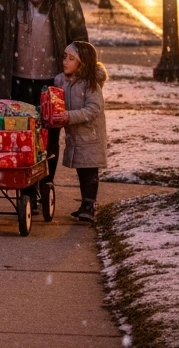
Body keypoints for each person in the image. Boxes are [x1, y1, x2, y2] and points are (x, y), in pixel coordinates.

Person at [0, 0, 87, 207]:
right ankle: (26, 193)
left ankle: (44, 185)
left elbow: (79, 39)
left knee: (49, 138)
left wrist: (81, 73)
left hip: (53, 82)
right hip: (17, 80)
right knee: (20, 138)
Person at [51, 41, 108, 223]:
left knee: (89, 171)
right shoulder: (62, 81)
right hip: (75, 135)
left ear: (82, 63)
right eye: (65, 57)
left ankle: (89, 205)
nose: (65, 62)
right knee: (81, 170)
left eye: (71, 59)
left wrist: (69, 116)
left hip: (90, 135)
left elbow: (93, 109)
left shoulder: (90, 85)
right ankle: (85, 204)